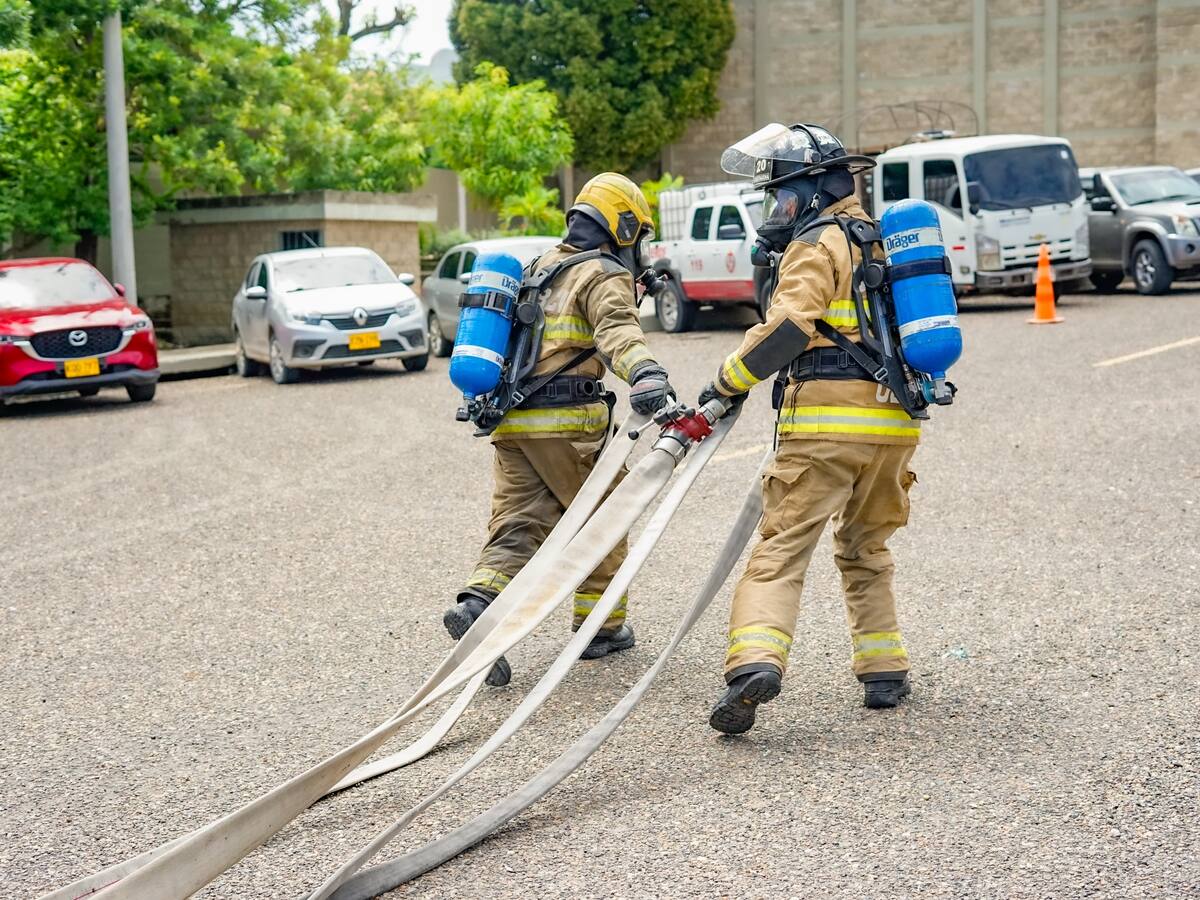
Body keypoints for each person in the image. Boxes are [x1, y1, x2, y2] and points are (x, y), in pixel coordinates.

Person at [698, 124, 921, 734]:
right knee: (866, 548)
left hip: (825, 423)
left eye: (782, 194)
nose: (777, 208)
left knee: (780, 549)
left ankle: (754, 666)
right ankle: (884, 672)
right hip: (894, 424)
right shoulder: (880, 242)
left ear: (813, 190)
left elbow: (790, 327)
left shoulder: (819, 242)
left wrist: (725, 381)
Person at [444, 173, 674, 687]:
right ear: (623, 224)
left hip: (510, 421)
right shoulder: (602, 273)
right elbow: (616, 330)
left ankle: (478, 607)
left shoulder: (538, 267)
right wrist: (646, 373)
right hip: (568, 426)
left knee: (518, 526)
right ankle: (600, 629)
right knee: (608, 518)